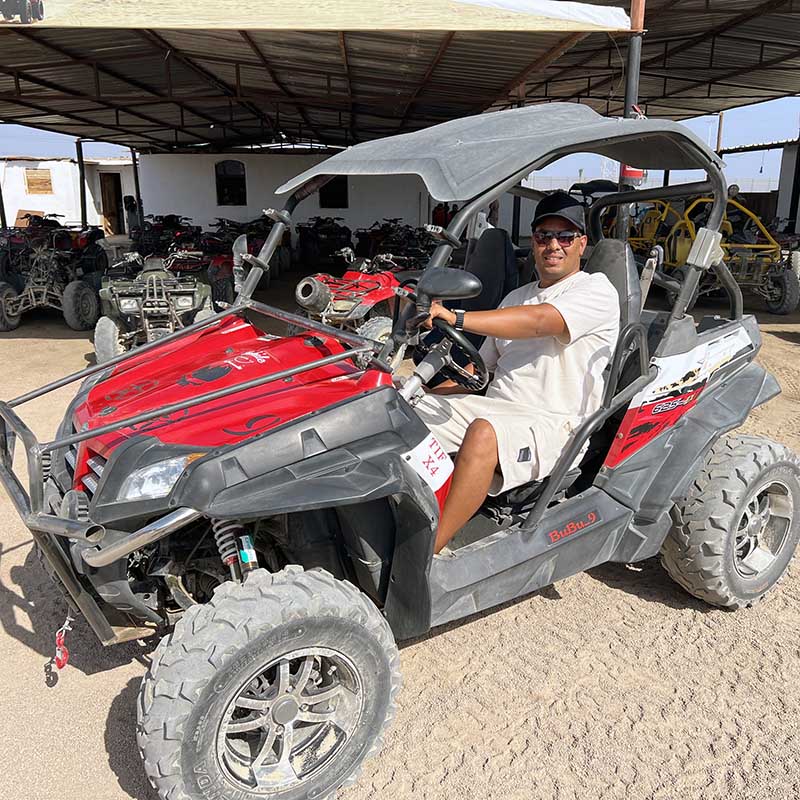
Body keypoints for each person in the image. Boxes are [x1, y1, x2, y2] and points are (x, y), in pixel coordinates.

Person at [414, 191, 620, 553]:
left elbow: (542, 322)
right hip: (497, 409)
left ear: (582, 244)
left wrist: (457, 317)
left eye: (565, 237)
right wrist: (420, 394)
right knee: (403, 412)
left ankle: (428, 555)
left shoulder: (596, 290)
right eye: (544, 236)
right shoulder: (515, 298)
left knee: (483, 434)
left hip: (558, 424)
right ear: (534, 241)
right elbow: (476, 372)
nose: (553, 245)